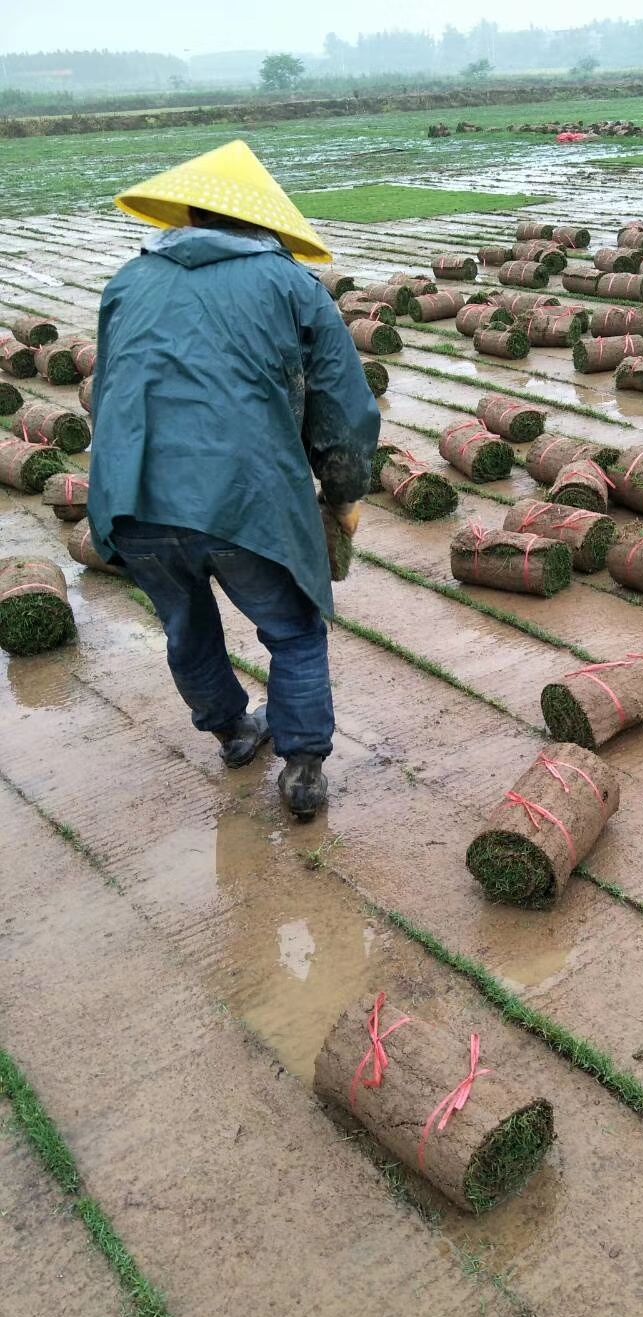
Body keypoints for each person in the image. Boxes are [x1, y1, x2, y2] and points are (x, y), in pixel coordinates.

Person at [88, 139, 380, 820]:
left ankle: (234, 733)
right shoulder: (290, 285)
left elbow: (109, 391)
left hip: (134, 499)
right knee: (295, 630)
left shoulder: (128, 282)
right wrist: (342, 495)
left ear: (189, 216)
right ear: (265, 223)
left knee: (187, 628)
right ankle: (303, 766)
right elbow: (341, 409)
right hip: (245, 501)